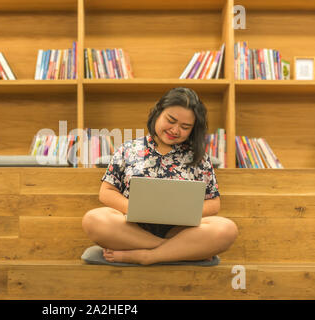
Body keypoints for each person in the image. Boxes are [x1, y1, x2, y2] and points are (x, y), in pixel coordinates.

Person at [81, 87, 238, 265]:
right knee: (93, 220)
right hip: (131, 229)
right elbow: (106, 192)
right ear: (157, 113)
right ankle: (177, 250)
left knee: (226, 229)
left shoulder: (199, 158)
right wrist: (137, 209)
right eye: (170, 120)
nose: (175, 130)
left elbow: (213, 203)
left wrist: (181, 214)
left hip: (180, 230)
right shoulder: (128, 149)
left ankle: (146, 256)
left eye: (185, 127)